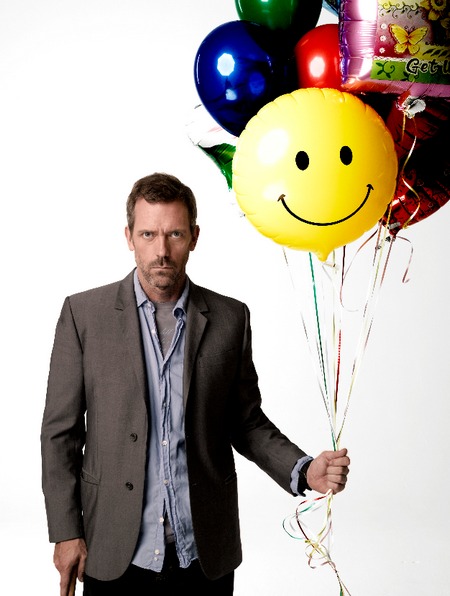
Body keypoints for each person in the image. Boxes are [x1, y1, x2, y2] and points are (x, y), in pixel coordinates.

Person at [41, 172, 350, 596]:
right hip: (111, 546)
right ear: (129, 237)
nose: (161, 250)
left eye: (175, 234)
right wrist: (66, 532)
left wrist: (304, 469)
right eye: (148, 234)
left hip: (204, 553)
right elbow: (60, 433)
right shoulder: (84, 315)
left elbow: (246, 422)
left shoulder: (230, 318)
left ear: (194, 237)